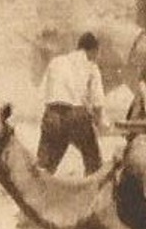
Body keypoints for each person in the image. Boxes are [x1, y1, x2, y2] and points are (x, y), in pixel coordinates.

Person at [37, 31, 105, 174]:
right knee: (93, 163)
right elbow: (98, 103)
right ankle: (92, 193)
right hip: (76, 116)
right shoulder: (91, 66)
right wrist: (100, 125)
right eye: (97, 53)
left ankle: (37, 192)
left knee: (43, 167)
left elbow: (43, 93)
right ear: (93, 50)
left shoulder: (56, 61)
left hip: (52, 114)